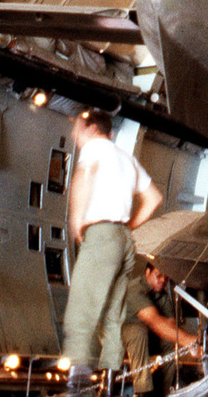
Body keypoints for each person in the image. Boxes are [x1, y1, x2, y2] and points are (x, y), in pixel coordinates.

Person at [63, 109, 163, 392]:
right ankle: (109, 380)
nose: (76, 136)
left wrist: (77, 220)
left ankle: (79, 380)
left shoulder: (95, 148)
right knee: (113, 313)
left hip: (102, 233)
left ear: (92, 129)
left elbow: (82, 177)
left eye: (78, 130)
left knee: (82, 305)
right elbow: (154, 198)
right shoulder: (126, 158)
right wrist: (128, 226)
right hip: (123, 240)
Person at [122, 258, 200, 395]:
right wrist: (189, 340)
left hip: (143, 338)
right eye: (158, 275)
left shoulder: (161, 296)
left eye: (165, 277)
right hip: (117, 335)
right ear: (147, 272)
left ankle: (161, 392)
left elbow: (169, 325)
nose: (163, 280)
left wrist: (191, 343)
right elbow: (155, 321)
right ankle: (143, 392)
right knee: (138, 331)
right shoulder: (135, 289)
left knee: (170, 341)